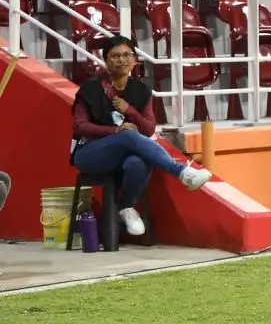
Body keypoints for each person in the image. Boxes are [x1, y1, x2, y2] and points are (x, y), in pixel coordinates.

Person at [70, 36, 212, 239]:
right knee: (128, 134)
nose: (122, 60)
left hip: (125, 150)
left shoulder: (141, 90)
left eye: (127, 55)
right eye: (115, 56)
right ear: (106, 61)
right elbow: (80, 126)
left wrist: (130, 111)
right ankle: (181, 172)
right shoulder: (90, 89)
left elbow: (148, 128)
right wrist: (115, 131)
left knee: (138, 161)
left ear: (135, 59)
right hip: (89, 152)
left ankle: (126, 207)